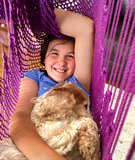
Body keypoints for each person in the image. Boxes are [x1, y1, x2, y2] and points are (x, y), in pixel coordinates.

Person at [9, 8, 94, 160]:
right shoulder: (35, 76)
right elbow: (21, 115)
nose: (61, 62)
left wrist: (20, 9)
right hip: (33, 141)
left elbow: (85, 27)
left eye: (70, 56)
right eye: (54, 53)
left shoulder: (79, 81)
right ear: (44, 57)